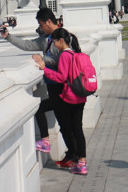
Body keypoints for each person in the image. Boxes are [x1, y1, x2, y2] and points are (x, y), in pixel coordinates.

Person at [0, 7, 62, 153]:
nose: (39, 28)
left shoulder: (63, 36)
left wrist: (43, 59)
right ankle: (70, 154)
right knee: (54, 115)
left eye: (40, 25)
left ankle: (78, 158)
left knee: (67, 122)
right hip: (51, 83)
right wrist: (8, 37)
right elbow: (28, 45)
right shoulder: (45, 39)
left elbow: (61, 59)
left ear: (48, 22)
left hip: (62, 84)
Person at [33, 28, 89, 175]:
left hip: (68, 96)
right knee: (77, 129)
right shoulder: (74, 53)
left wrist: (45, 69)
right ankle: (81, 163)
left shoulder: (65, 55)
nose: (54, 45)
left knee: (39, 108)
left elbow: (61, 77)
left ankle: (45, 141)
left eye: (55, 42)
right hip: (80, 96)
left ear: (61, 41)